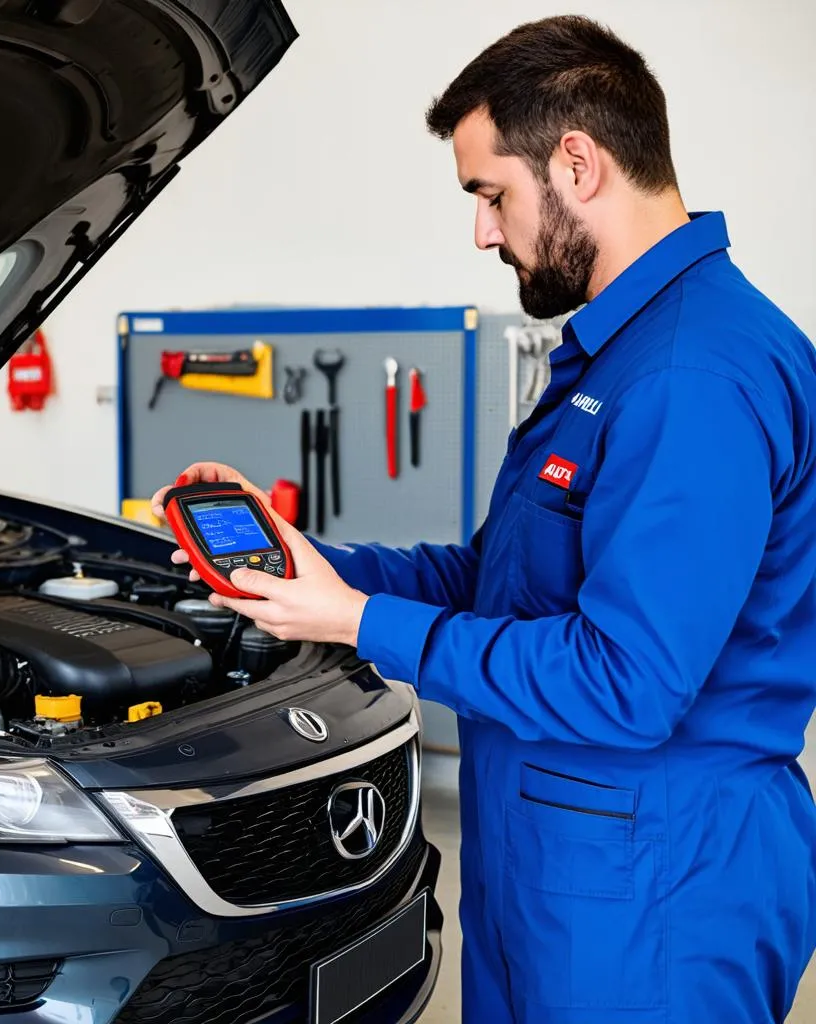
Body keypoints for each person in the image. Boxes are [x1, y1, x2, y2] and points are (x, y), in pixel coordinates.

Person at [151, 15, 816, 1024]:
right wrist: (310, 567)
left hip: (656, 896)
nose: (483, 231)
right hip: (566, 874)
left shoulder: (690, 377)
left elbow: (627, 683)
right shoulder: (620, 354)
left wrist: (360, 624)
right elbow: (496, 583)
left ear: (578, 164)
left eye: (490, 194)